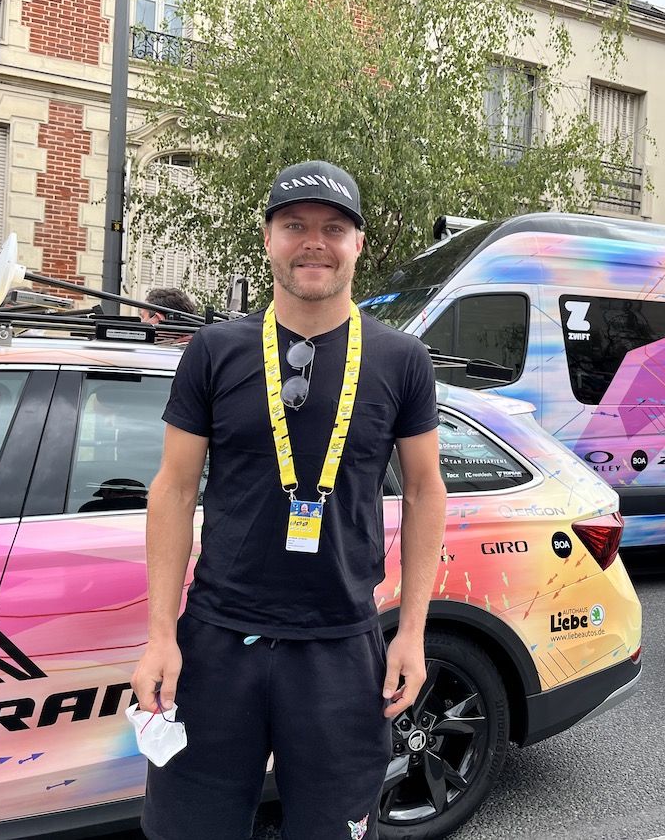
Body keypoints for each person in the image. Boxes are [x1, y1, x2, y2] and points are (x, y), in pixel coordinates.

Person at [132, 160, 446, 839]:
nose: (314, 243)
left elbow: (424, 491)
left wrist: (413, 634)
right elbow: (174, 488)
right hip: (218, 640)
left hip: (339, 645)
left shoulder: (401, 358)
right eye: (294, 226)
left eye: (334, 228)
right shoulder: (215, 351)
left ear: (357, 244)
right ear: (269, 238)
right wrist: (161, 635)